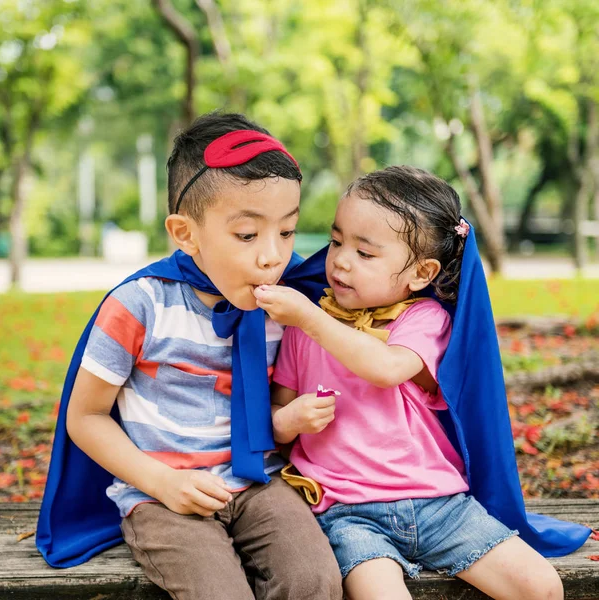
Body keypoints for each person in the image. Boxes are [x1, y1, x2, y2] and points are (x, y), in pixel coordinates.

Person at [36, 112, 342, 600]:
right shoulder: (140, 305)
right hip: (165, 496)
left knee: (316, 580)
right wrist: (160, 482)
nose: (272, 256)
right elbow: (86, 416)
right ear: (185, 233)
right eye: (247, 235)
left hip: (260, 483)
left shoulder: (289, 304)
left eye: (286, 232)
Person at [253, 166, 589, 600]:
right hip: (348, 513)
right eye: (336, 241)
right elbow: (276, 424)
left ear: (421, 273)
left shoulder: (423, 321)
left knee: (540, 587)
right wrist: (290, 421)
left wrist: (309, 317)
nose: (340, 260)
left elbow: (386, 367)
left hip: (439, 504)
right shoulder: (303, 330)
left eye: (366, 253)